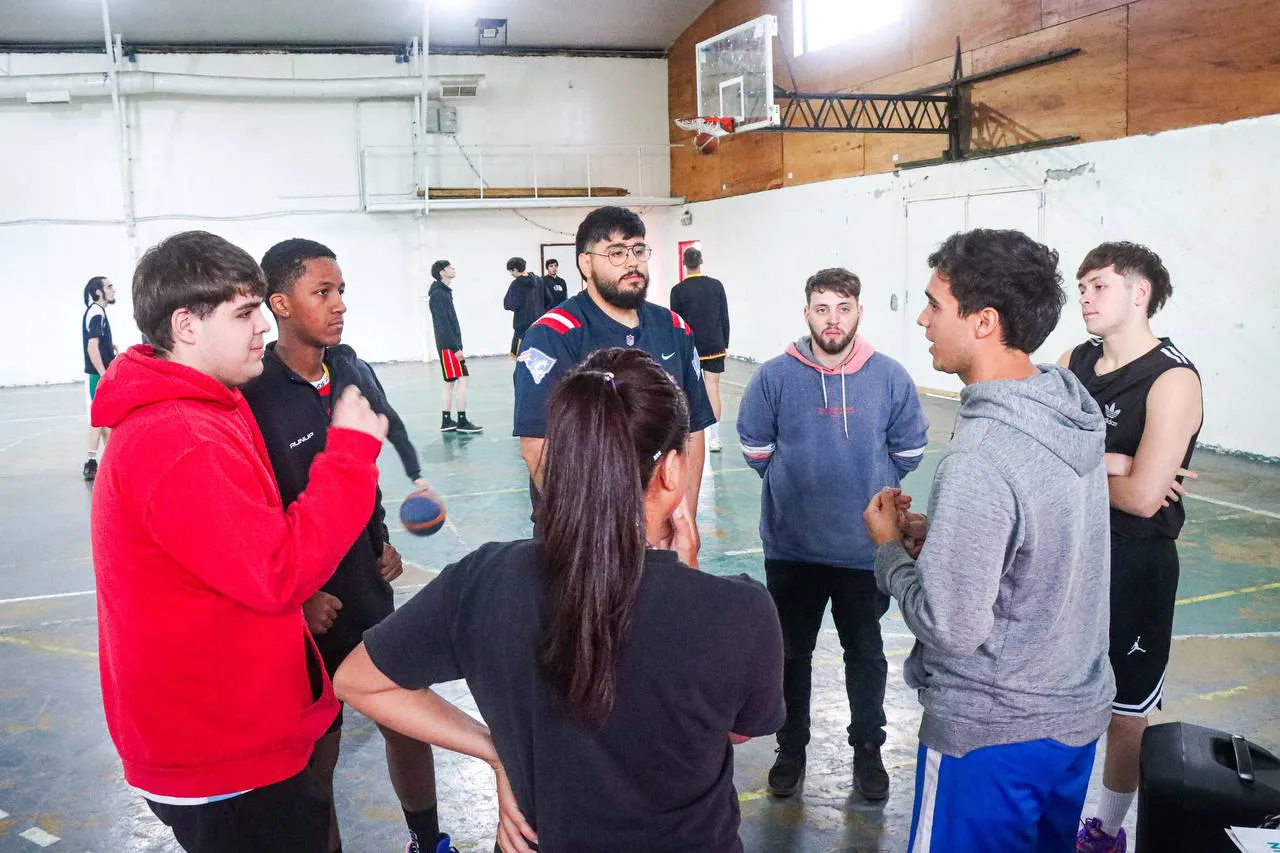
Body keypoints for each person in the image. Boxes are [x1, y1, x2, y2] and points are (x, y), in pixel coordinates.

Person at [333, 348, 786, 853]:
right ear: (673, 471)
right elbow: (739, 730)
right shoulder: (739, 613)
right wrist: (690, 574)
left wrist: (495, 750)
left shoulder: (483, 580)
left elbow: (356, 681)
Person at [90, 230, 389, 853]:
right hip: (220, 750)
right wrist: (351, 455)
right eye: (245, 313)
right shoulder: (179, 435)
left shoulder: (206, 408)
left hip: (234, 728)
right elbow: (278, 571)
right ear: (186, 325)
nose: (262, 327)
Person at [863, 229, 1115, 852]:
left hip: (991, 736)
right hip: (1071, 723)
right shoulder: (1066, 409)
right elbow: (1040, 544)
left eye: (934, 305)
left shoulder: (983, 455)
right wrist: (947, 540)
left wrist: (889, 551)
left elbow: (951, 626)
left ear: (983, 322)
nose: (922, 319)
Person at [243, 238, 453, 853]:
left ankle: (428, 841)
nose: (339, 306)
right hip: (307, 610)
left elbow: (358, 469)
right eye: (323, 293)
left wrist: (381, 539)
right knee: (318, 757)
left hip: (365, 588)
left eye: (342, 292)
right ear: (279, 303)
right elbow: (259, 512)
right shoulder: (253, 395)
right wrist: (299, 597)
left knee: (405, 724)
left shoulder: (351, 369)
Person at [736, 267, 929, 801]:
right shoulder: (776, 376)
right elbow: (754, 443)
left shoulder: (888, 376)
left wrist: (874, 484)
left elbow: (910, 446)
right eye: (822, 308)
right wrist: (787, 482)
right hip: (792, 549)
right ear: (807, 314)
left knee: (865, 655)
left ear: (859, 312)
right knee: (790, 655)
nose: (832, 319)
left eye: (843, 308)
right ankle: (790, 748)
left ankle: (868, 750)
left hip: (864, 552)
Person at [1062, 243, 1202, 853]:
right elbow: (1028, 439)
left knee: (1125, 708)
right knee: (1057, 687)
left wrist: (1082, 466)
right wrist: (1113, 461)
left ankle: (1106, 829)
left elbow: (1146, 499)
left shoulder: (1173, 379)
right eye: (1083, 287)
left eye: (1099, 286)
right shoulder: (1074, 359)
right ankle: (1053, 810)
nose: (1085, 298)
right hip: (1068, 546)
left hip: (1136, 563)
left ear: (1138, 293)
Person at [513, 206, 716, 520]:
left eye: (638, 250)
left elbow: (693, 431)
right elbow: (537, 445)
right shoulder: (552, 336)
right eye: (616, 252)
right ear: (586, 263)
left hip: (660, 531)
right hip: (583, 533)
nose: (632, 261)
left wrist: (686, 519)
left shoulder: (674, 329)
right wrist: (597, 532)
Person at [670, 247, 731, 452]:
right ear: (701, 261)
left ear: (684, 264)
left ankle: (689, 437)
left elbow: (676, 323)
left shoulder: (678, 291)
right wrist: (725, 343)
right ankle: (714, 438)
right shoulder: (716, 286)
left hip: (690, 346)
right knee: (712, 388)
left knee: (688, 390)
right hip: (715, 345)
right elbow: (724, 317)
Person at [428, 259, 483, 434]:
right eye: (450, 267)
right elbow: (443, 324)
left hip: (447, 346)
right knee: (463, 380)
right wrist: (455, 348)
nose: (453, 269)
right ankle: (462, 421)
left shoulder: (442, 292)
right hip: (449, 347)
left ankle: (446, 421)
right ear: (442, 272)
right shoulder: (439, 295)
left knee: (450, 382)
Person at [82, 275, 118, 480]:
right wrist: (104, 374)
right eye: (109, 286)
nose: (113, 289)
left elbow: (97, 342)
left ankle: (111, 459)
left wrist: (109, 345)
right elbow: (91, 347)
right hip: (97, 374)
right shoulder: (96, 313)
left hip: (100, 373)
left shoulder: (98, 312)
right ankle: (90, 462)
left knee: (105, 419)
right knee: (98, 419)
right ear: (98, 292)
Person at [503, 257, 544, 357]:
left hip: (522, 326)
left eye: (511, 271)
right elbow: (548, 299)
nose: (511, 274)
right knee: (537, 355)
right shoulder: (539, 281)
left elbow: (508, 304)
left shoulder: (516, 284)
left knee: (520, 355)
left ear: (515, 270)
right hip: (538, 324)